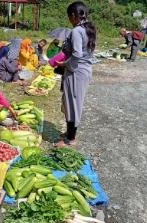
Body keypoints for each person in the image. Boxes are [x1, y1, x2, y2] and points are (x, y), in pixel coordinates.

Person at [54, 1, 97, 147]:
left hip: (76, 72)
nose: (69, 20)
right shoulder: (88, 28)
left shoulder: (77, 31)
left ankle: (70, 139)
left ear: (73, 15)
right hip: (84, 70)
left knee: (73, 104)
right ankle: (69, 133)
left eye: (69, 17)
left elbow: (77, 54)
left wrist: (65, 64)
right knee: (72, 102)